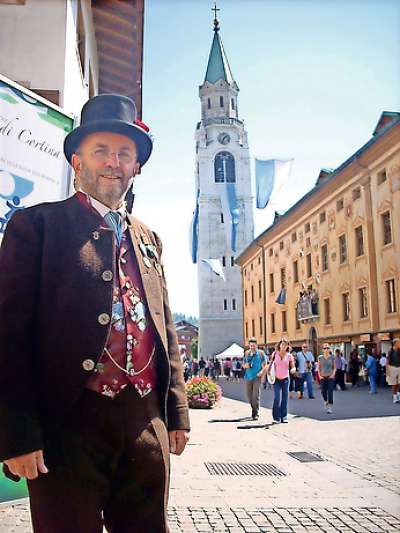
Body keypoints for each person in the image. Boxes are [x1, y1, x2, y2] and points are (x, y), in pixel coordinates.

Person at [0, 94, 190, 533]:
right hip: (66, 427)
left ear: (136, 167)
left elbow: (165, 330)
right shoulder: (36, 227)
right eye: (101, 150)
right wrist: (17, 434)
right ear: (76, 161)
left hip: (145, 424)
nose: (113, 162)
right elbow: (9, 337)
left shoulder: (150, 238)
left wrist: (176, 414)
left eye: (124, 153)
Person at [265, 339, 296, 424]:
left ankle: (284, 416)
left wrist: (293, 369)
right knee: (277, 398)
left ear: (287, 346)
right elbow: (270, 364)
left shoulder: (289, 356)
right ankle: (276, 417)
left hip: (286, 379)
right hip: (276, 379)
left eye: (285, 345)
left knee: (285, 398)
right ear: (279, 345)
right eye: (282, 344)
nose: (283, 346)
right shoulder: (275, 354)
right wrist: (266, 372)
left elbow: (292, 365)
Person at [243, 338, 267, 420]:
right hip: (248, 376)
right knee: (249, 395)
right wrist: (246, 365)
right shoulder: (247, 353)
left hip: (257, 376)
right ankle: (254, 409)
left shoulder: (261, 353)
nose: (252, 347)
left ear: (256, 345)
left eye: (253, 345)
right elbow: (244, 365)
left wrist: (262, 374)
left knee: (255, 395)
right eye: (250, 346)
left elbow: (265, 365)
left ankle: (255, 413)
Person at [318, 343, 336, 414]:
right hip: (323, 377)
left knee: (330, 392)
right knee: (323, 391)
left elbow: (334, 367)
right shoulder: (320, 357)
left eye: (328, 348)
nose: (326, 349)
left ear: (329, 349)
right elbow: (319, 368)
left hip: (330, 377)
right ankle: (326, 401)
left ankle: (330, 408)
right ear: (322, 350)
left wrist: (333, 374)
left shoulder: (332, 357)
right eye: (325, 348)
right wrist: (319, 376)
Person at [387, 338, 400, 403]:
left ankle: (398, 394)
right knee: (394, 384)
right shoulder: (390, 351)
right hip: (392, 368)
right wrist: (387, 371)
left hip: (399, 368)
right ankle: (395, 397)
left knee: (399, 383)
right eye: (398, 342)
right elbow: (388, 361)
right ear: (395, 343)